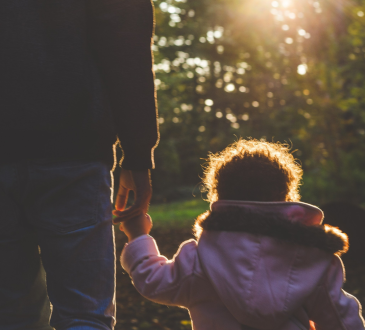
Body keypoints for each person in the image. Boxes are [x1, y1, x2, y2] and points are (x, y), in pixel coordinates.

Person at [0, 0, 158, 329]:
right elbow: (126, 45)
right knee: (84, 315)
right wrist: (138, 153)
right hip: (73, 153)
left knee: (11, 314)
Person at [118, 139, 365, 330]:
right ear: (286, 197)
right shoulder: (313, 258)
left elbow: (154, 281)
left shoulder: (200, 258)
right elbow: (341, 320)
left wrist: (139, 236)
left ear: (218, 196)